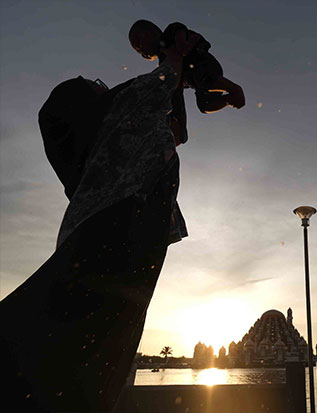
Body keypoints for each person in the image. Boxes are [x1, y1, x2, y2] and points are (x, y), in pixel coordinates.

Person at [0, 40, 189, 411]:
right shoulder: (119, 111)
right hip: (117, 235)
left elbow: (172, 130)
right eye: (94, 83)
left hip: (105, 242)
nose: (103, 85)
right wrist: (177, 53)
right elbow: (163, 79)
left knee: (73, 350)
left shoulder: (98, 150)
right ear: (85, 102)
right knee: (82, 357)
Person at [128, 19, 245, 145]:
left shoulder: (169, 35)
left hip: (203, 66)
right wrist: (176, 117)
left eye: (139, 44)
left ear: (150, 34)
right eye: (138, 52)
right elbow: (174, 89)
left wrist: (182, 43)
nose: (142, 53)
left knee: (202, 79)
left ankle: (234, 89)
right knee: (204, 105)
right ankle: (228, 99)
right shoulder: (164, 61)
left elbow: (179, 31)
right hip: (194, 80)